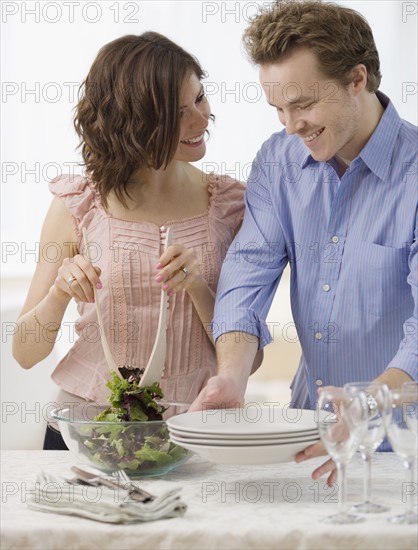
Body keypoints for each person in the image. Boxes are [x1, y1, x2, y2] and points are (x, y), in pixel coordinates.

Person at [190, 0, 417, 483]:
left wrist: (365, 405)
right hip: (308, 435)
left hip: (404, 443)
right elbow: (245, 277)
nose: (291, 126)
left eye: (304, 104)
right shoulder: (279, 161)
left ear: (357, 80)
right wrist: (231, 374)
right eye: (278, 108)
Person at [12, 32, 261, 450]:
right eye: (179, 113)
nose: (202, 120)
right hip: (85, 438)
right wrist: (59, 294)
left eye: (200, 98)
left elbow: (250, 362)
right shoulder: (78, 204)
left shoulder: (231, 207)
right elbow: (25, 352)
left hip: (195, 438)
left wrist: (199, 287)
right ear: (136, 122)